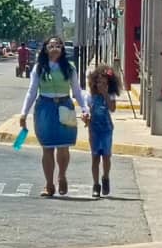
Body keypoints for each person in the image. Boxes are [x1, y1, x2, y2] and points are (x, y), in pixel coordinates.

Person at [18, 36, 88, 197]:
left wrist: (85, 109)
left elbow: (77, 91)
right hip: (45, 108)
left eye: (58, 45)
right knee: (47, 148)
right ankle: (49, 184)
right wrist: (24, 113)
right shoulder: (39, 68)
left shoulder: (69, 68)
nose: (54, 48)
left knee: (63, 147)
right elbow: (32, 91)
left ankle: (62, 176)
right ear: (45, 49)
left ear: (62, 49)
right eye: (51, 46)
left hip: (65, 106)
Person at [82, 65, 120, 197]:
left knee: (106, 156)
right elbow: (86, 110)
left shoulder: (110, 95)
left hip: (107, 129)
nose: (101, 85)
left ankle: (106, 177)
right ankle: (96, 184)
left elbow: (112, 108)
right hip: (94, 130)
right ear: (94, 82)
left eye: (104, 83)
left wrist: (105, 94)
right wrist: (86, 116)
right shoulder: (90, 96)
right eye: (99, 82)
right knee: (95, 157)